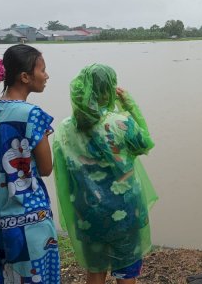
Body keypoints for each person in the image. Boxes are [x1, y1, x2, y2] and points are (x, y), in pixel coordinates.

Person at [52, 64, 157, 284]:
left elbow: (64, 171)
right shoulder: (121, 123)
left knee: (96, 269)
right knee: (126, 268)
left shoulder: (64, 129)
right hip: (125, 211)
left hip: (88, 214)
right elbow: (144, 144)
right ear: (109, 89)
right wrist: (130, 106)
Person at [0, 44, 60, 283]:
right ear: (25, 77)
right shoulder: (32, 114)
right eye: (42, 70)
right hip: (30, 218)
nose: (47, 75)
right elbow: (45, 168)